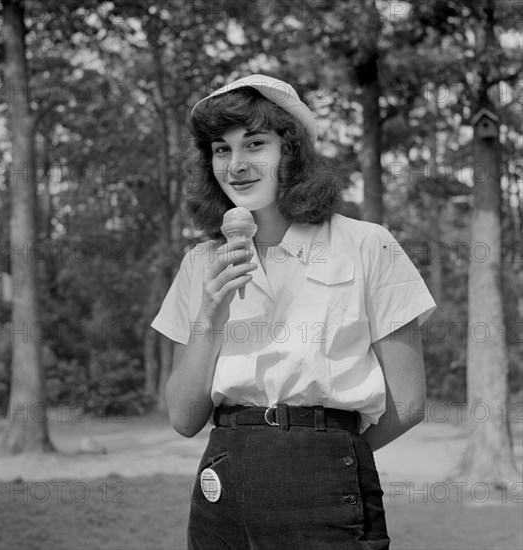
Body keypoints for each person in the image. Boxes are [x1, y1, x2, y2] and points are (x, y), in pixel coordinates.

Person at [151, 74, 436, 549]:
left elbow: (408, 403)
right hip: (221, 483)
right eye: (222, 149)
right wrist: (210, 316)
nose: (236, 164)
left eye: (255, 144)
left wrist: (327, 456)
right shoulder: (202, 262)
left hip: (326, 476)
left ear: (292, 151)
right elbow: (183, 417)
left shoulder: (368, 245)